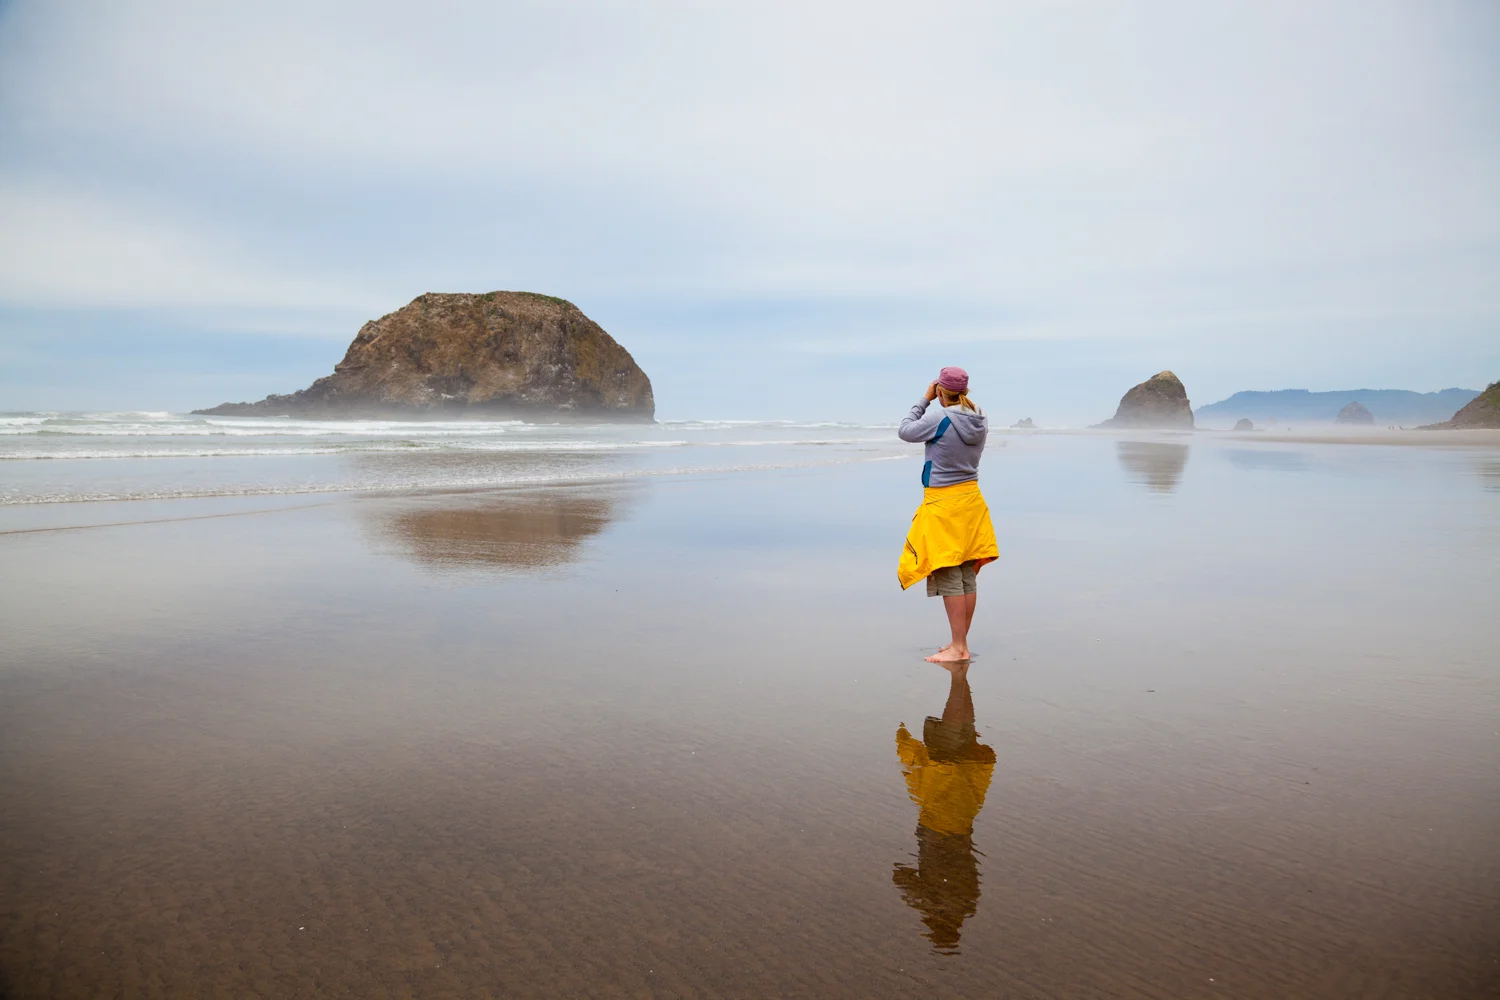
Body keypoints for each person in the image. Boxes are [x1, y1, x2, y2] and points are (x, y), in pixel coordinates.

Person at [892, 661, 995, 953]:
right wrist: (921, 903)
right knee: (952, 738)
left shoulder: (968, 900)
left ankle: (959, 681)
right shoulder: (947, 901)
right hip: (940, 822)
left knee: (962, 732)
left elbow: (902, 878)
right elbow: (901, 878)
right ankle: (958, 681)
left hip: (959, 822)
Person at [897, 366, 998, 662]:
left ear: (939, 390)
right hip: (971, 499)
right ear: (965, 391)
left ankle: (958, 647)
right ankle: (960, 642)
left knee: (949, 569)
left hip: (944, 503)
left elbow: (905, 431)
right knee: (965, 572)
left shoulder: (940, 417)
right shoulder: (979, 416)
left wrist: (924, 400)